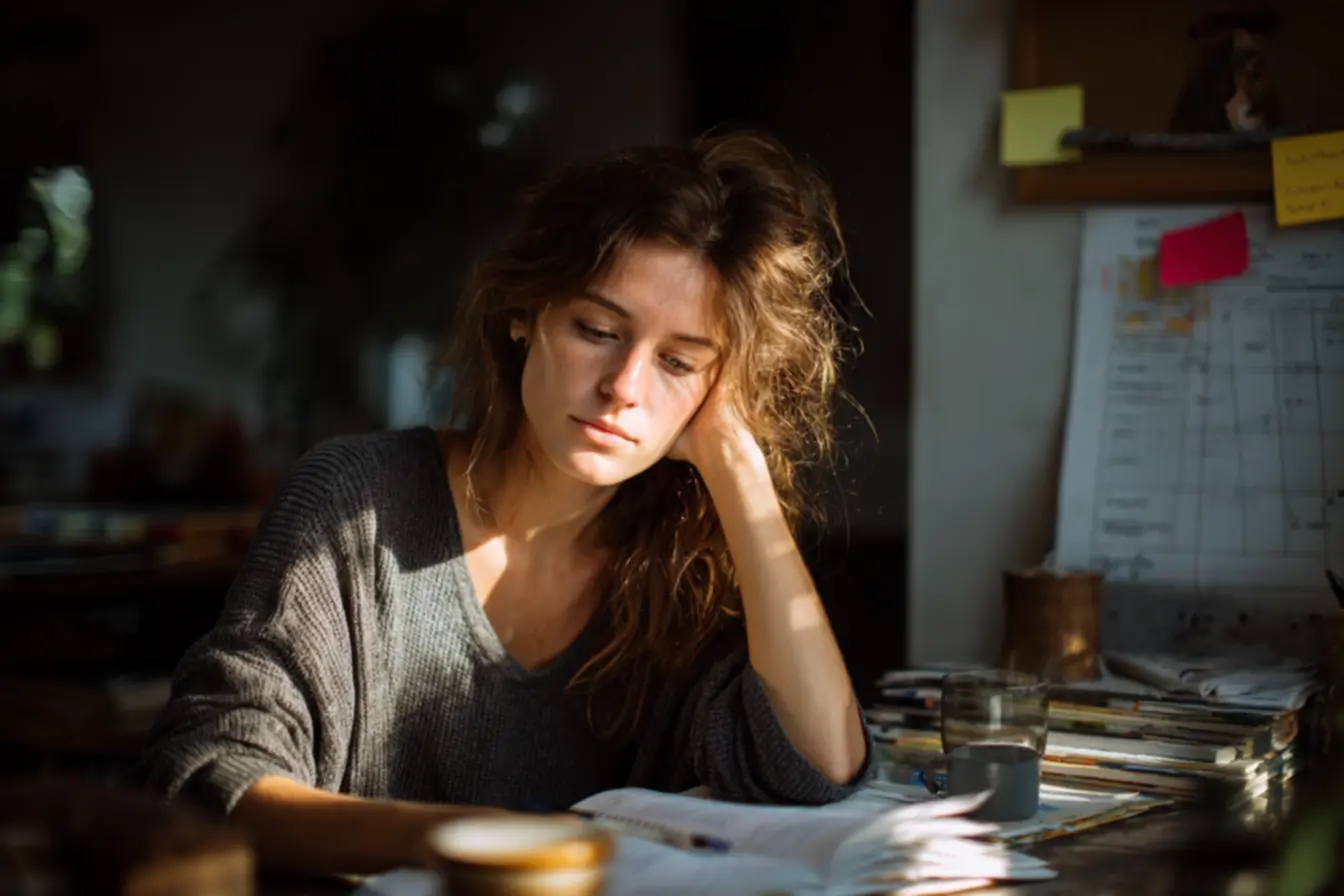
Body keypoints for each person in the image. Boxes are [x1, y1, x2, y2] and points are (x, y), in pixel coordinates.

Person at [134, 130, 872, 876]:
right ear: (525, 312)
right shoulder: (355, 501)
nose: (624, 386)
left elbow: (814, 767)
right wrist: (461, 843)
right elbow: (205, 778)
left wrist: (737, 465)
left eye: (678, 362)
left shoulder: (687, 566)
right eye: (597, 330)